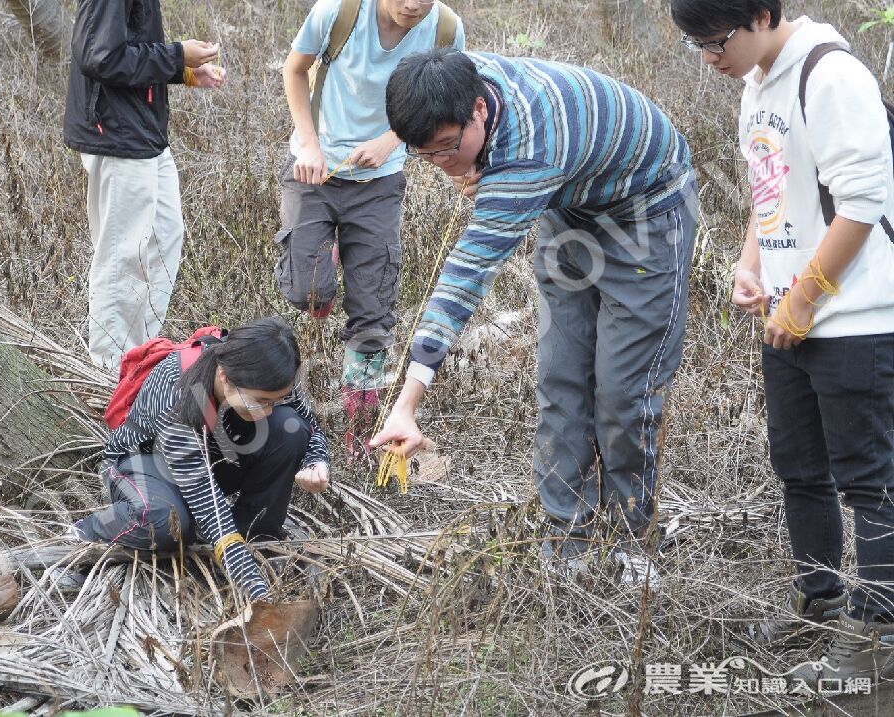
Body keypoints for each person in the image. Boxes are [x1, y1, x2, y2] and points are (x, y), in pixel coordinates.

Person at [371, 49, 697, 583]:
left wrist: (408, 401)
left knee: (622, 395)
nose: (441, 164)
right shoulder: (455, 77)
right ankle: (564, 537)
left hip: (648, 215)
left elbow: (465, 275)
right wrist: (459, 159)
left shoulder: (530, 156)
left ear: (479, 108)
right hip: (569, 212)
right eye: (423, 155)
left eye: (448, 149)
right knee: (560, 378)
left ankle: (630, 541)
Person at [672, 0, 894, 685]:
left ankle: (879, 632)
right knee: (799, 464)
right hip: (789, 313)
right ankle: (821, 598)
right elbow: (770, 186)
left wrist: (800, 301)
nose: (710, 58)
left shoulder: (831, 77)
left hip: (854, 315)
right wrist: (752, 264)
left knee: (870, 480)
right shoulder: (757, 82)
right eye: (697, 46)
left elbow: (861, 203)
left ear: (762, 15)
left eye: (716, 42)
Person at [277, 0, 464, 459]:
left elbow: (442, 101)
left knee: (374, 314)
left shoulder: (444, 28)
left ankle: (361, 428)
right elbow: (295, 71)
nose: (413, 5)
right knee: (309, 292)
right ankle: (327, 259)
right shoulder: (337, 13)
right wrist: (309, 144)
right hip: (314, 171)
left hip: (379, 183)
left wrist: (392, 139)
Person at [72, 317, 331, 601]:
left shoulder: (271, 378)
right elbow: (208, 504)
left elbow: (312, 427)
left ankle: (256, 540)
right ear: (225, 377)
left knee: (290, 428)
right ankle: (86, 531)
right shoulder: (176, 393)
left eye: (274, 401)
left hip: (211, 457)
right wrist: (259, 595)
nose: (267, 411)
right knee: (167, 523)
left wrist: (316, 461)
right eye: (260, 401)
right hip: (144, 464)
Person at [63, 0, 225, 370]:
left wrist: (181, 71)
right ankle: (107, 371)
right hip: (117, 134)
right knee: (123, 256)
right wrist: (177, 54)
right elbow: (99, 55)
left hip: (143, 131)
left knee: (164, 238)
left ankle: (137, 360)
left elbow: (127, 48)